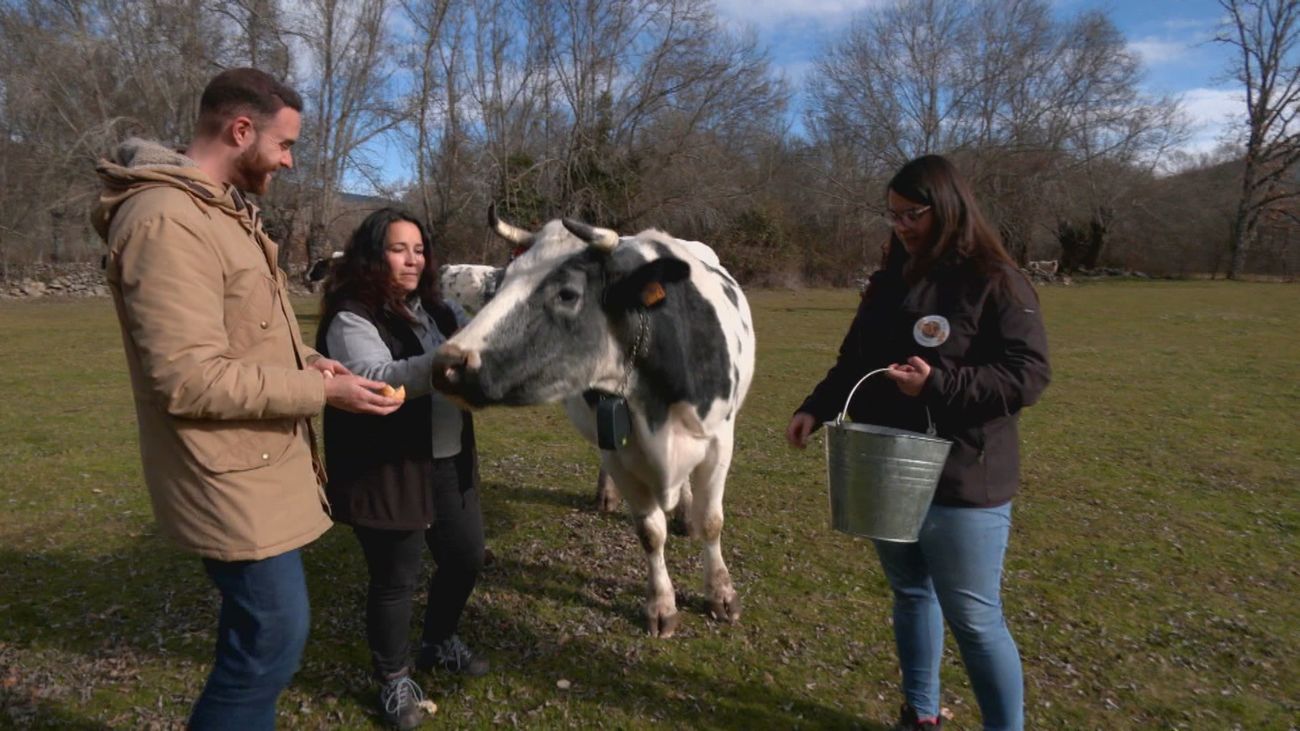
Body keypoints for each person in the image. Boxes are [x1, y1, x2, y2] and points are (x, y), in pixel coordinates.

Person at [92, 68, 401, 730]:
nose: (289, 161)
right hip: (225, 472)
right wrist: (323, 391)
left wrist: (312, 359)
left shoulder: (217, 212)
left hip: (255, 463)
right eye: (284, 145)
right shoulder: (167, 220)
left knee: (266, 636)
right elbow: (188, 377)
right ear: (240, 130)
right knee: (267, 642)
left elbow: (247, 330)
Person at [785, 155, 1050, 731]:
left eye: (913, 214)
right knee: (910, 591)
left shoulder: (996, 281)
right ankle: (921, 713)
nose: (901, 226)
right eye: (893, 215)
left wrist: (938, 384)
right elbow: (854, 360)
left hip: (963, 475)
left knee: (975, 620)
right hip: (886, 465)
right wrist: (815, 407)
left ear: (948, 209)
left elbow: (1028, 376)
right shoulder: (889, 280)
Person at [317, 207, 488, 730]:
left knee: (465, 558)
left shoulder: (438, 309)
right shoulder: (352, 315)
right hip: (388, 466)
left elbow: (481, 341)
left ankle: (438, 641)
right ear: (374, 255)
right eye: (398, 249)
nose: (413, 260)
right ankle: (394, 679)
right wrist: (447, 359)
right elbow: (375, 376)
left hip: (448, 458)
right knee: (396, 580)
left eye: (419, 250)